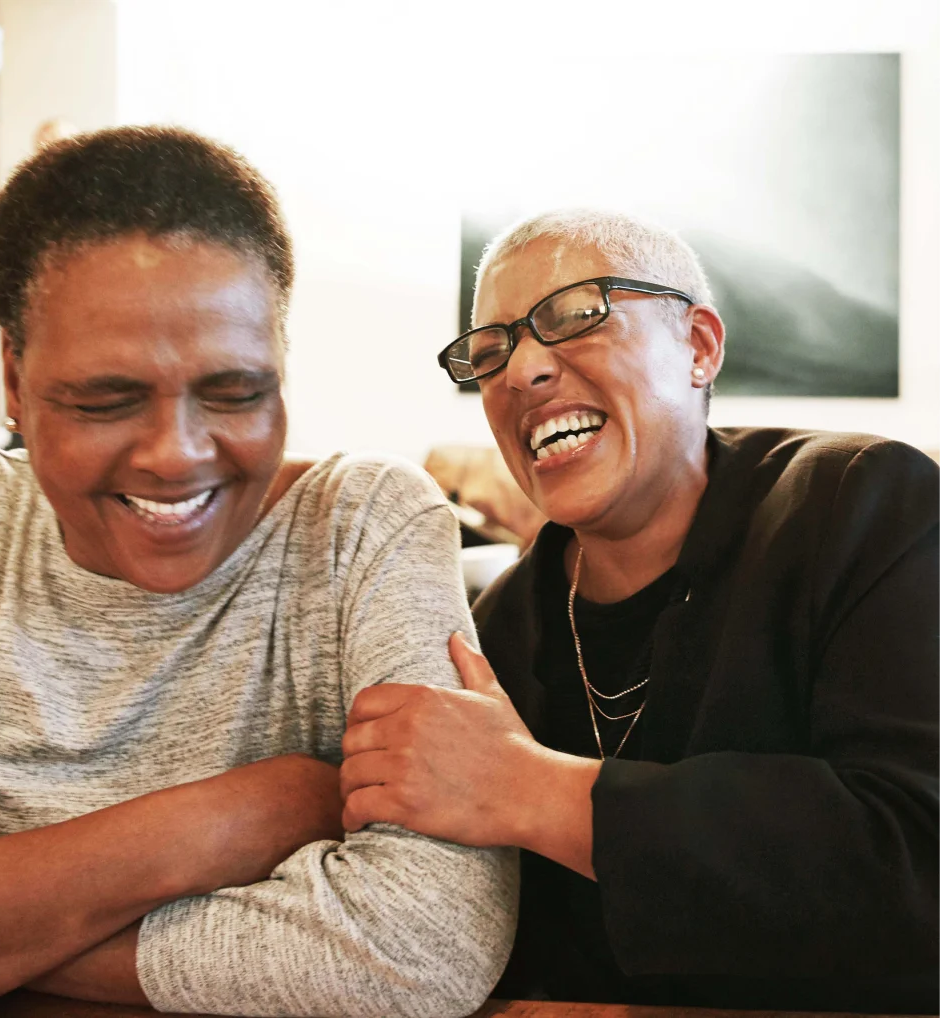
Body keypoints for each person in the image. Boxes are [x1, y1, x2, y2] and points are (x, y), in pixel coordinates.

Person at [0, 126, 516, 1018]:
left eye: (235, 393)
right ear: (13, 375)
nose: (177, 455)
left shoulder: (364, 527)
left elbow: (421, 949)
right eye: (105, 401)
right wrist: (236, 817)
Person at [340, 208, 940, 1013]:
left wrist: (532, 790)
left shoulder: (858, 504)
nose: (520, 371)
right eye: (489, 354)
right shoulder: (497, 630)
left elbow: (913, 859)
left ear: (697, 346)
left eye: (574, 316)